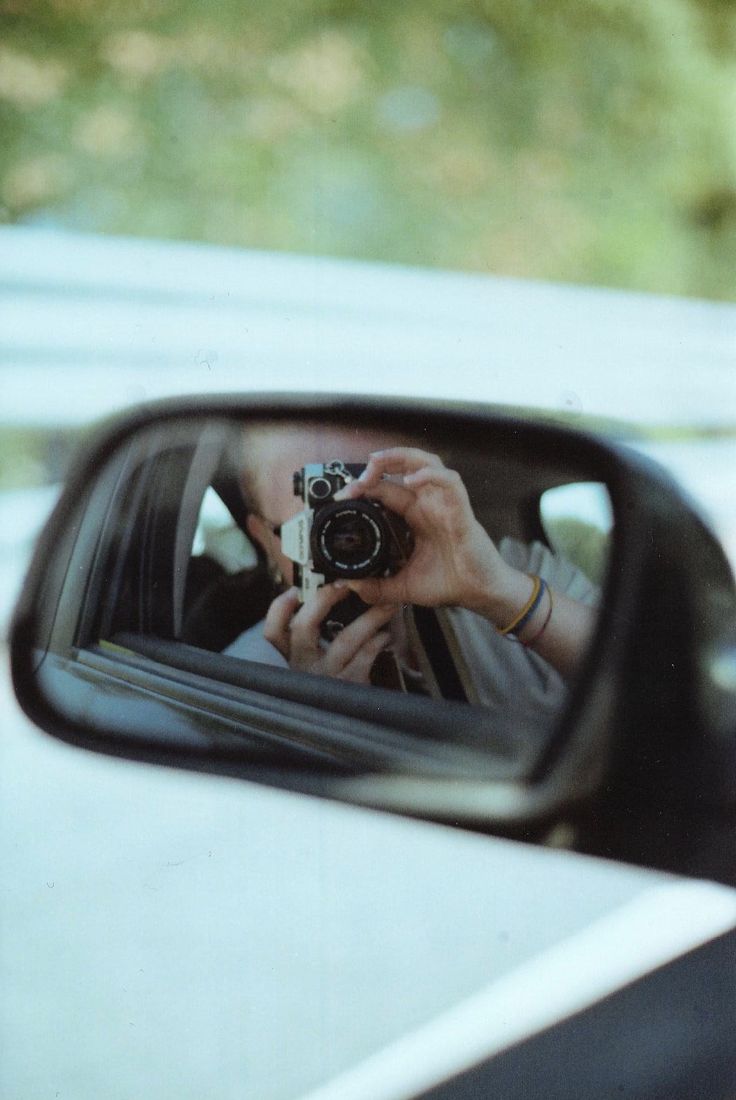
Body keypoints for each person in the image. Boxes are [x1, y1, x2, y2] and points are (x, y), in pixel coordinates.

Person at [224, 422, 600, 711]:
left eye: (374, 503)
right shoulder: (248, 674)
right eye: (315, 522)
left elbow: (644, 670)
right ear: (264, 539)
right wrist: (308, 711)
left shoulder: (520, 571)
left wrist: (502, 594)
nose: (349, 534)